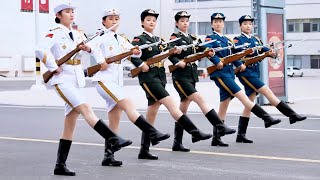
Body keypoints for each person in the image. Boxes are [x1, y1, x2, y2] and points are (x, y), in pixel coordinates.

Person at [35, 3, 131, 176]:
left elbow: (93, 47)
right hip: (62, 78)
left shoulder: (79, 34)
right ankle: (112, 138)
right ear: (58, 15)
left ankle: (60, 165)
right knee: (86, 108)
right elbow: (40, 49)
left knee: (70, 124)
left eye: (72, 12)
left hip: (75, 78)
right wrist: (52, 66)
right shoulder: (54, 33)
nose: (71, 14)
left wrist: (88, 47)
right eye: (67, 12)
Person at [91, 8, 170, 166]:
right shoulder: (101, 36)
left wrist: (136, 51)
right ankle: (152, 133)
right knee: (128, 104)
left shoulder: (120, 39)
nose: (114, 21)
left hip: (116, 81)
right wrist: (101, 62)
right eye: (111, 19)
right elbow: (93, 47)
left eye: (116, 19)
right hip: (104, 80)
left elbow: (135, 53)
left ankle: (108, 156)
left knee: (115, 119)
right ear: (103, 21)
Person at [131, 9, 213, 160]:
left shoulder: (159, 40)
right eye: (148, 19)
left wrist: (173, 51)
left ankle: (144, 150)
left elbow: (167, 51)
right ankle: (194, 132)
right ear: (142, 22)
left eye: (154, 20)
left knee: (151, 114)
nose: (151, 22)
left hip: (159, 77)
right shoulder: (139, 39)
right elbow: (132, 54)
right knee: (171, 104)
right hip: (148, 78)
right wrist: (140, 64)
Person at [204, 13, 281, 147]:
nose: (218, 24)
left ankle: (216, 138)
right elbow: (207, 51)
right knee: (241, 95)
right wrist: (216, 61)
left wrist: (240, 64)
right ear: (211, 24)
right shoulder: (210, 38)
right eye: (215, 21)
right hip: (220, 73)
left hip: (229, 73)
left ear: (224, 24)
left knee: (224, 105)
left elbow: (234, 55)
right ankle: (266, 118)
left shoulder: (228, 41)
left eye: (220, 21)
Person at [168, 11, 236, 152]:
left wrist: (209, 52)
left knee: (182, 110)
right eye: (182, 21)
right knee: (199, 98)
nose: (185, 23)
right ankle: (219, 125)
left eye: (187, 20)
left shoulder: (193, 38)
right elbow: (169, 53)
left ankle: (177, 142)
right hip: (180, 77)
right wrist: (177, 61)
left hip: (191, 76)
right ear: (177, 23)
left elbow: (202, 48)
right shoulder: (175, 38)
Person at [233, 15, 307, 143]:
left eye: (250, 24)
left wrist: (272, 53)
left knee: (249, 103)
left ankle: (241, 134)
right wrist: (240, 64)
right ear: (240, 26)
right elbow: (233, 55)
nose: (248, 26)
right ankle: (291, 115)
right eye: (245, 24)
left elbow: (267, 50)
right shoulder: (237, 40)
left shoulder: (256, 40)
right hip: (246, 73)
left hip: (255, 73)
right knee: (268, 92)